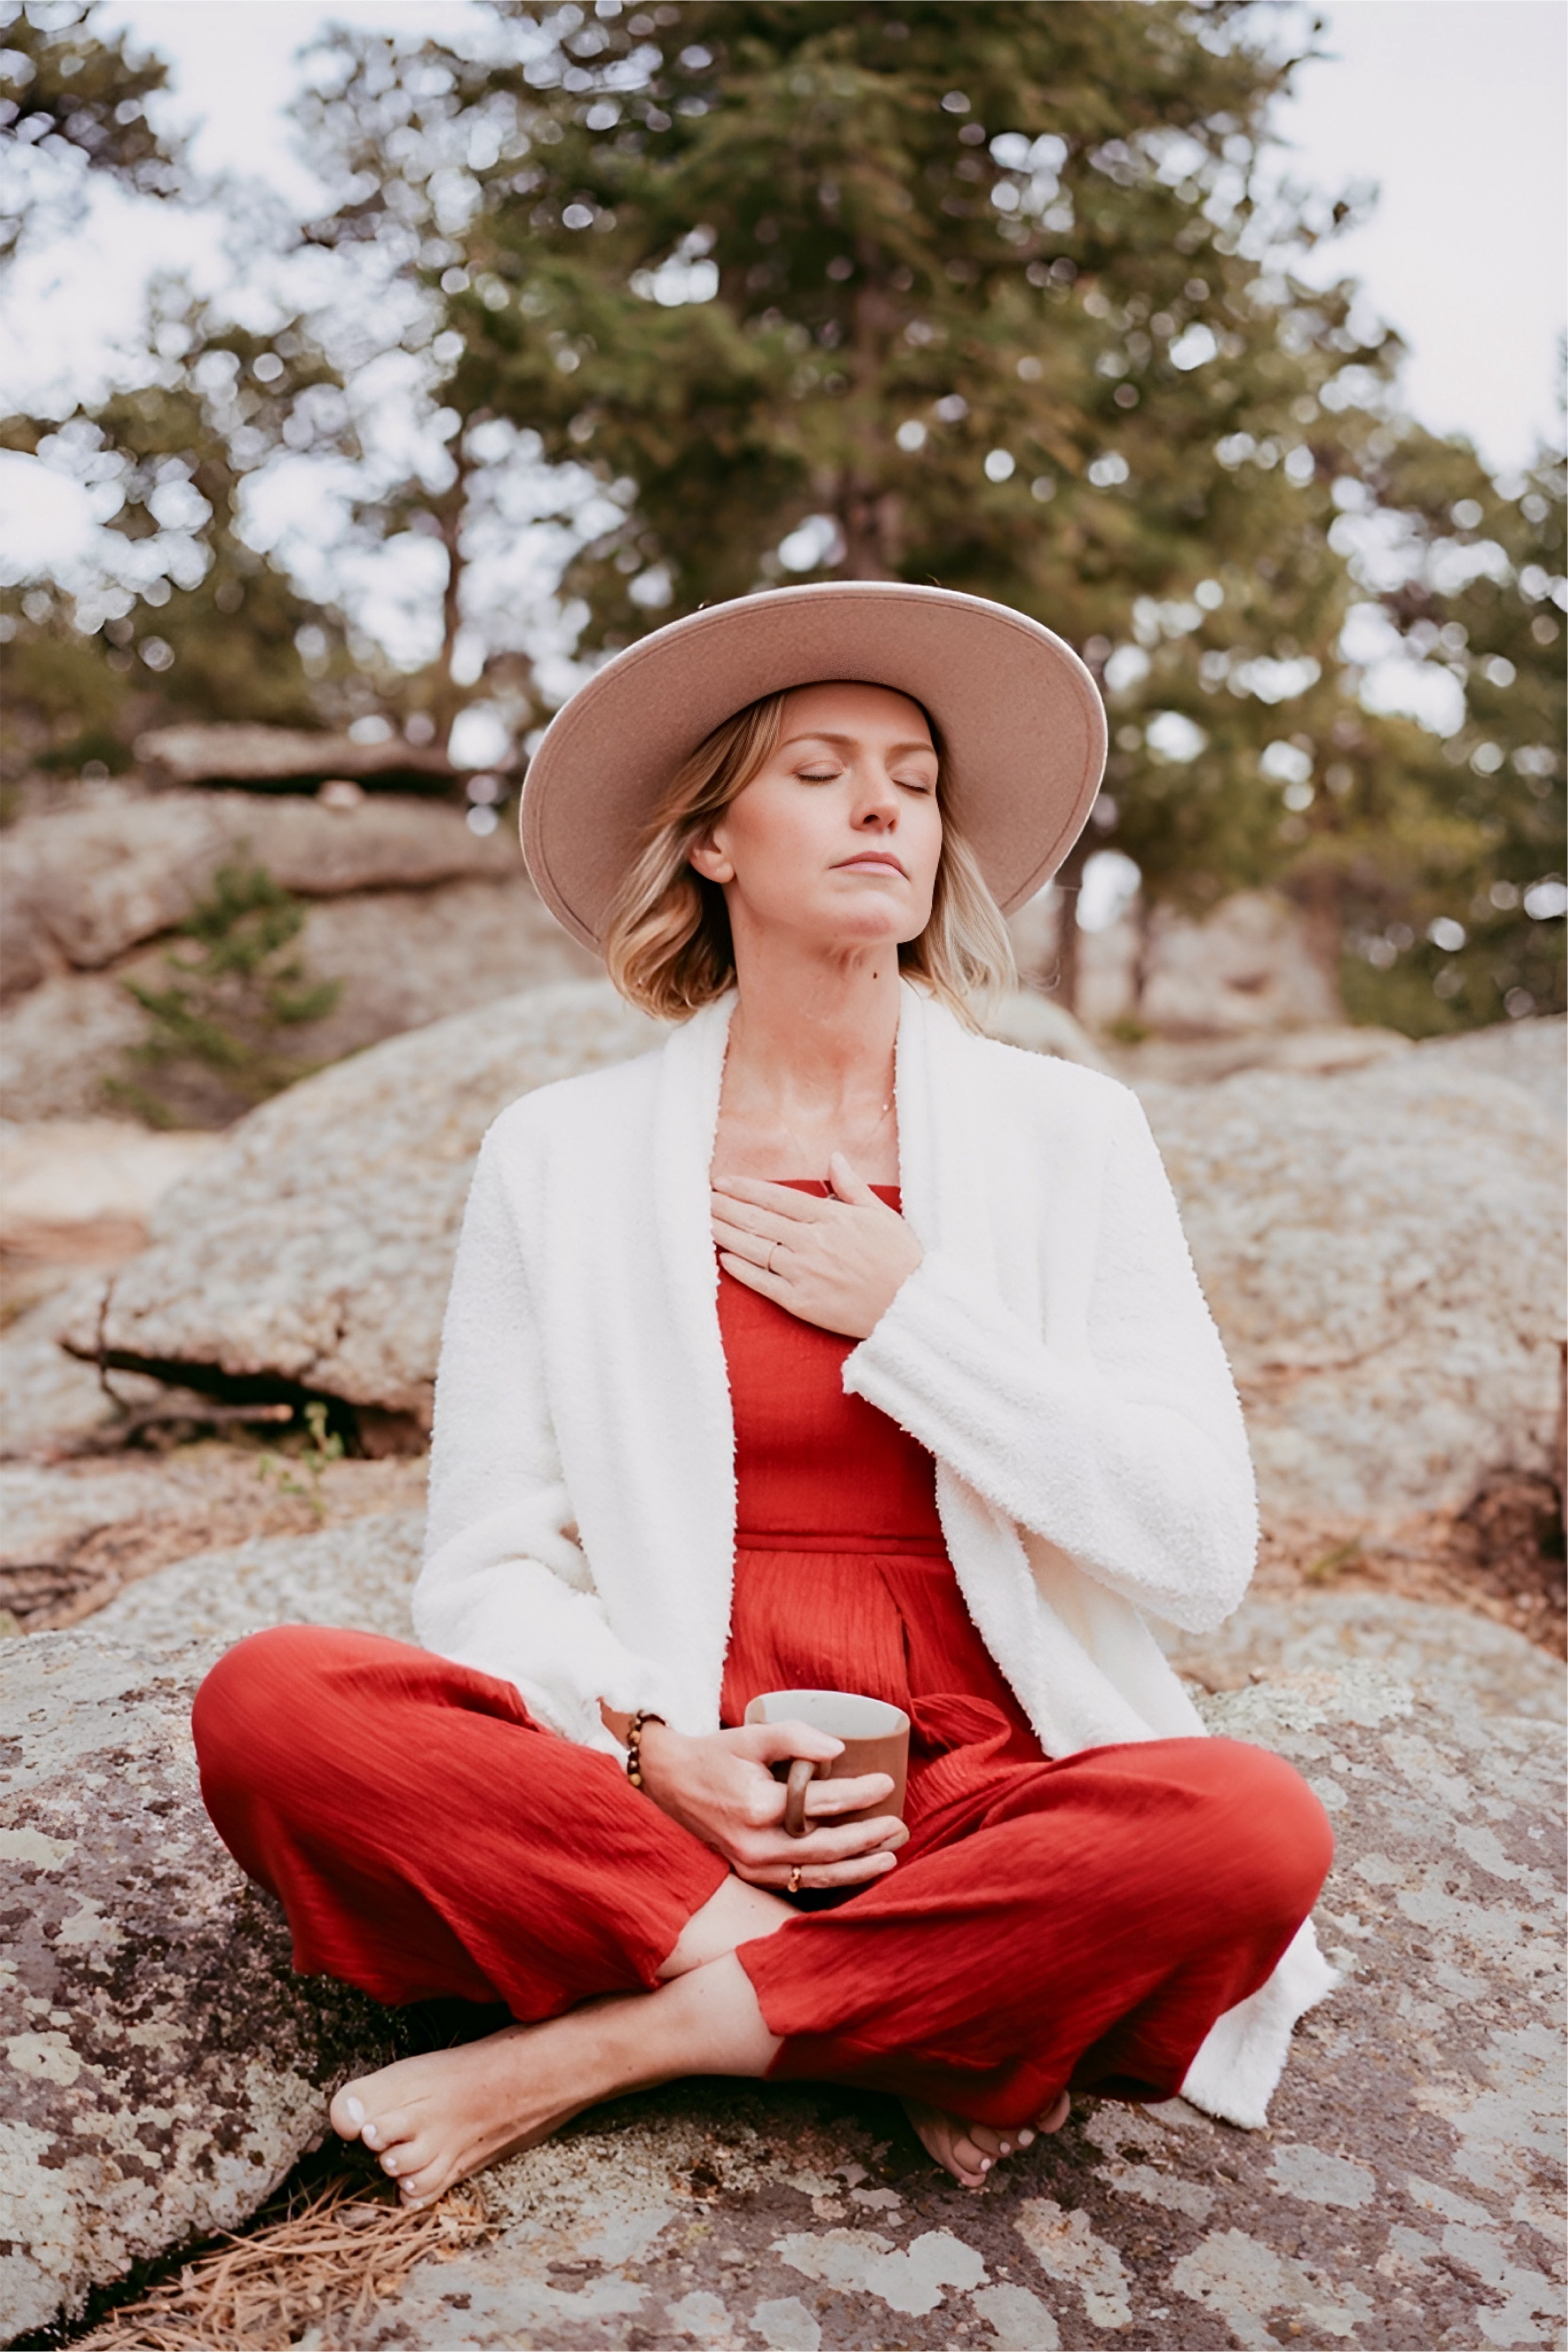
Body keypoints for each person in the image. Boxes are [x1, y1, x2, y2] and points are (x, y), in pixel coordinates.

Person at [193, 582, 1336, 2211]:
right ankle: (922, 2019)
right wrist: (662, 1755)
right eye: (819, 769)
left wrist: (916, 1317)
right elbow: (489, 1563)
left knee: (1250, 1833)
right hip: (681, 1779)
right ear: (712, 838)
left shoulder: (1067, 1137)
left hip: (980, 1787)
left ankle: (605, 2047)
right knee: (272, 1703)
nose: (885, 804)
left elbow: (1198, 1548)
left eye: (917, 779)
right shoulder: (562, 1154)